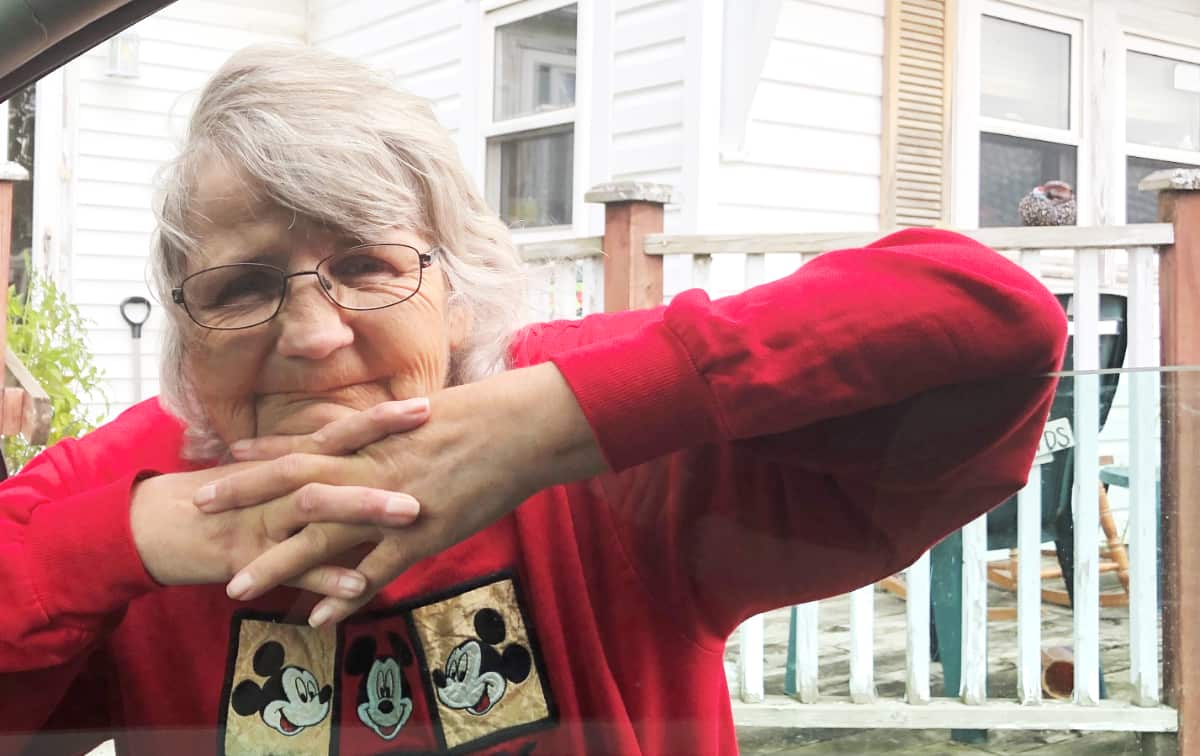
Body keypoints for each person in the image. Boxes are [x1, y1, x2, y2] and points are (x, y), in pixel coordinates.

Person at [0, 44, 1066, 756]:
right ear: (186, 333)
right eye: (241, 288)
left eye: (369, 266)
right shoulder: (132, 487)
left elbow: (991, 321)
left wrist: (554, 428)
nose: (316, 338)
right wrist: (121, 543)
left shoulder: (591, 435)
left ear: (459, 296)